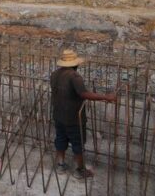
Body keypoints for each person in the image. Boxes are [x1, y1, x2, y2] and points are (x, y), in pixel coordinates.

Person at [50, 48, 117, 180]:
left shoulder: (54, 74)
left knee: (60, 139)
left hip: (58, 114)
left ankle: (61, 165)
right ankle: (80, 170)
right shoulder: (75, 77)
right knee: (78, 143)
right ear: (76, 64)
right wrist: (106, 97)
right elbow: (84, 94)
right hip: (73, 118)